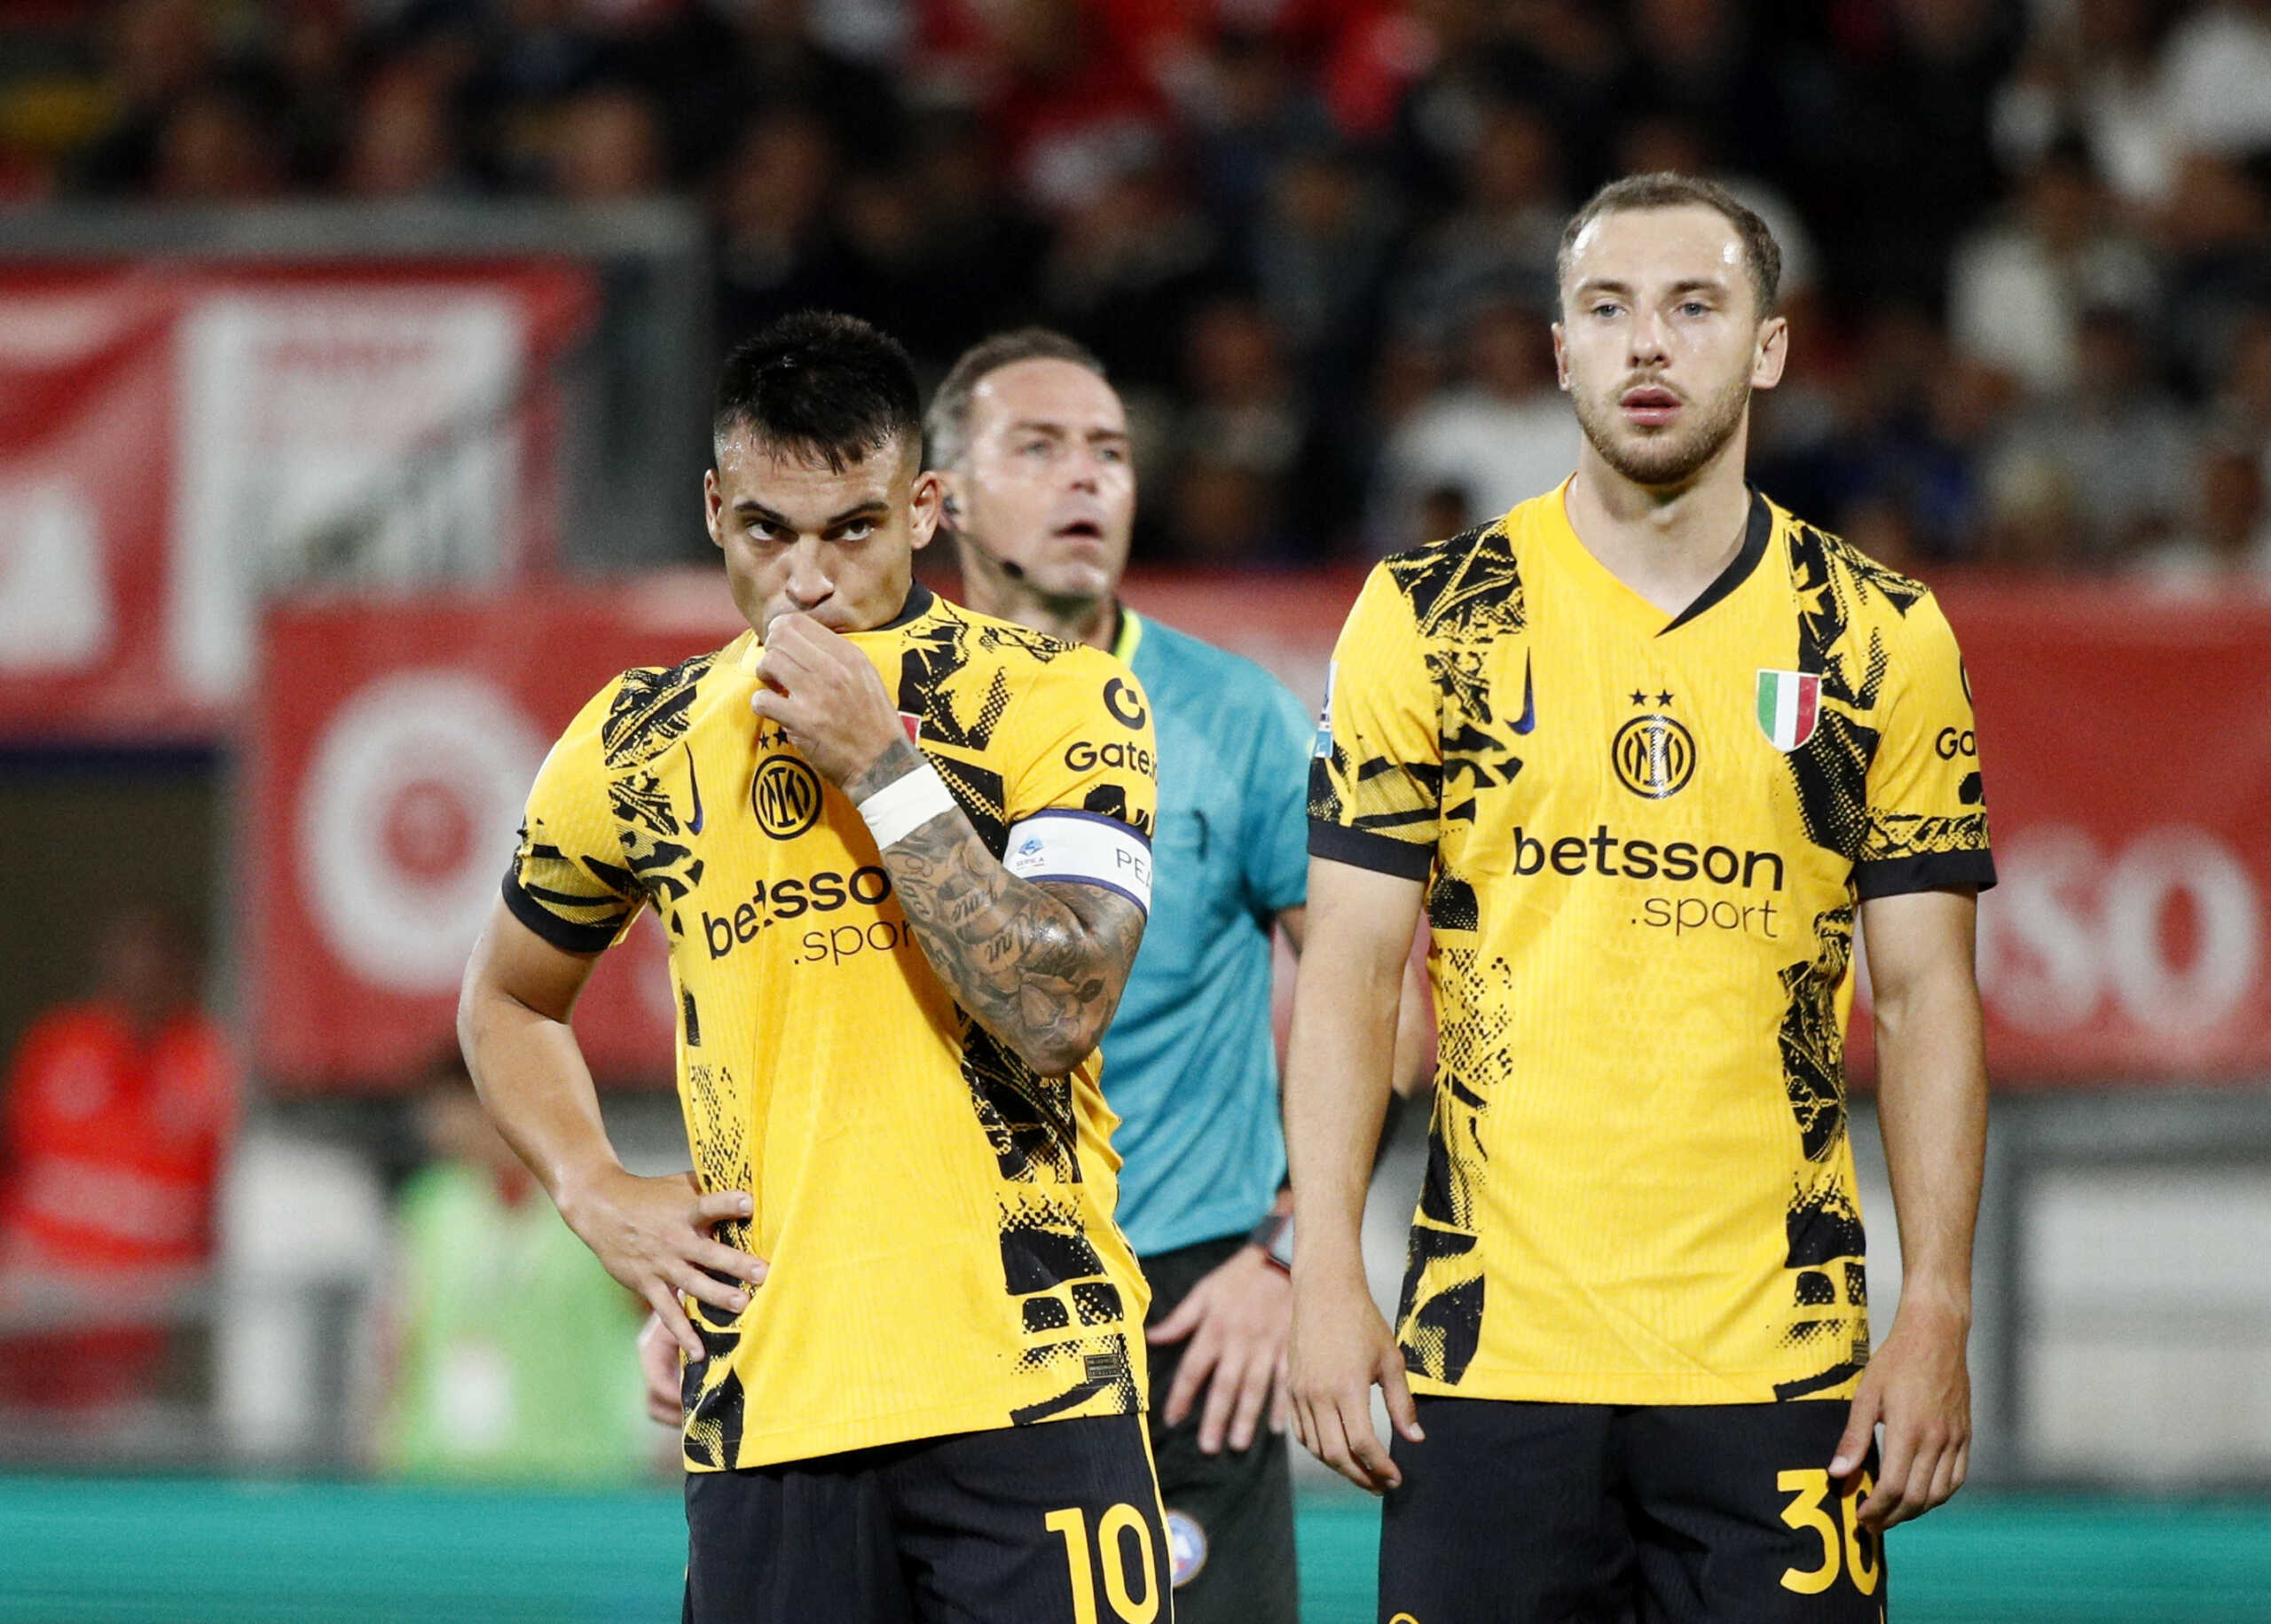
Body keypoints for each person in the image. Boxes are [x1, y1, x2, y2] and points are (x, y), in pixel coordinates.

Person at [638, 325, 1434, 1618]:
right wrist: (712, 1278)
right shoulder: (778, 708)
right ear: (934, 493)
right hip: (888, 1317)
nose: (1088, 481)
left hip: (1184, 1315)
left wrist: (1288, 1247)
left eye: (1112, 452)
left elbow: (1391, 1003)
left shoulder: (1228, 714)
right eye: (1043, 446)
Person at [1285, 172, 1995, 1622]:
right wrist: (1320, 1271)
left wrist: (1936, 1304)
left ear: (1771, 346)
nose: (1649, 345)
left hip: (1781, 1369)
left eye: (1694, 305)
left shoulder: (1879, 636)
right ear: (1558, 350)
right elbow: (1355, 973)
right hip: (1488, 1361)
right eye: (1607, 309)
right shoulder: (1426, 616)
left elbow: (1926, 997)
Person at [460, 310, 1169, 1622]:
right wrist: (592, 1185)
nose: (807, 579)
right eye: (766, 532)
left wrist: (881, 766)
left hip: (1032, 1379)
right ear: (716, 509)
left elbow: (1060, 1007)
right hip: (768, 1404)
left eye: (851, 526)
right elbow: (505, 997)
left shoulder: (1058, 698)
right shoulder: (639, 739)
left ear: (924, 507)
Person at [373, 1050, 650, 1484]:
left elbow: (659, 1326)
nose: (441, 1125)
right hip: (442, 1474)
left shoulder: (599, 1207)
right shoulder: (430, 1206)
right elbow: (398, 1335)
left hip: (578, 1475)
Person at [0, 905, 236, 1410]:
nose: (139, 976)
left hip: (149, 1348)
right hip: (33, 1330)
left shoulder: (209, 1064)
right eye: (125, 961)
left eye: (157, 963)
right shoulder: (59, 1044)